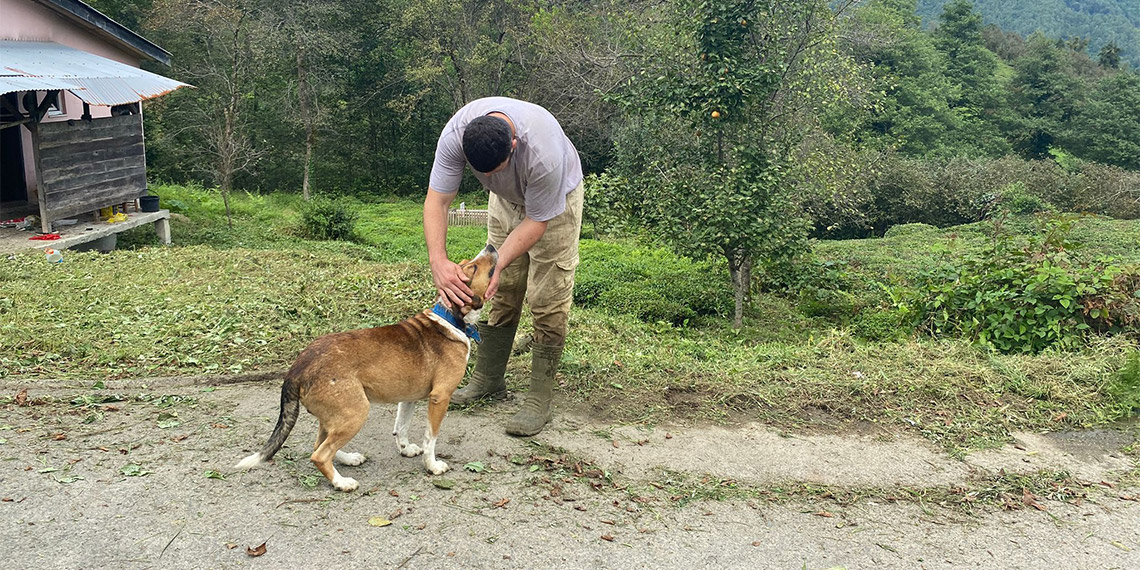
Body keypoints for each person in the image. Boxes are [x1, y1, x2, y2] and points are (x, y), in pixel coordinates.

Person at [424, 96, 583, 437]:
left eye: (494, 171)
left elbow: (537, 222)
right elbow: (437, 200)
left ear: (513, 145)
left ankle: (539, 397)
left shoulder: (544, 154)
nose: (486, 178)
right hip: (505, 202)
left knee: (547, 296)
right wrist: (438, 261)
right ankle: (489, 379)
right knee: (504, 289)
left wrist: (497, 263)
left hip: (554, 205)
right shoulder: (456, 135)